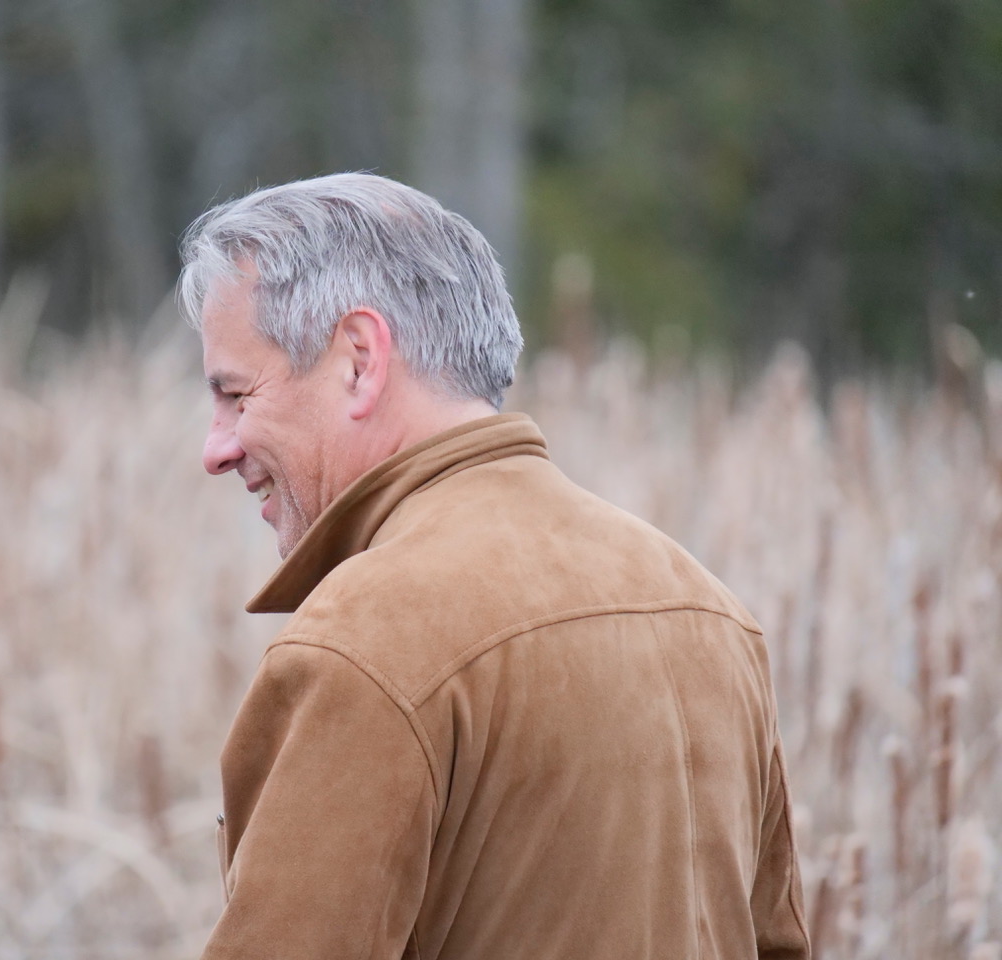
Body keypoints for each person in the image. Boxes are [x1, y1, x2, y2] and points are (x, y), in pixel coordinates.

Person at [178, 172, 810, 960]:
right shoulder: (709, 610)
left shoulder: (366, 640)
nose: (216, 449)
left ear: (360, 360)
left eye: (236, 394)